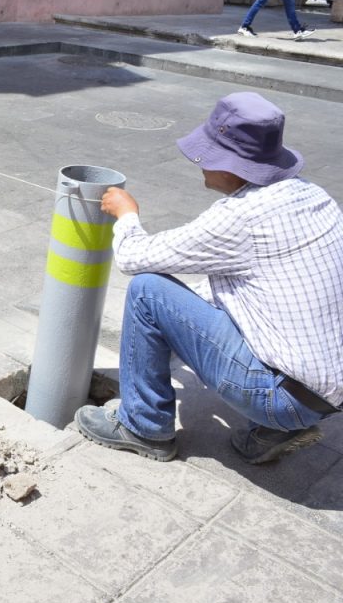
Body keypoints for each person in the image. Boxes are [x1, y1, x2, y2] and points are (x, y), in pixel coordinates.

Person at [75, 92, 343, 464]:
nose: (200, 163)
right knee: (189, 300)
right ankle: (278, 428)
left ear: (232, 166)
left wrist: (127, 215)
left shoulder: (242, 217)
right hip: (326, 394)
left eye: (208, 156)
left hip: (281, 394)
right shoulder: (313, 196)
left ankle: (143, 425)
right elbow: (242, 292)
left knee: (147, 291)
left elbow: (134, 257)